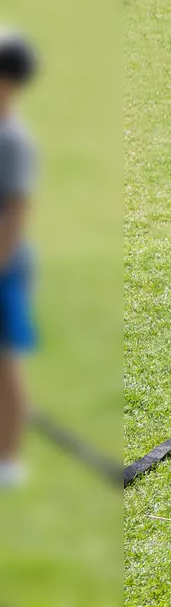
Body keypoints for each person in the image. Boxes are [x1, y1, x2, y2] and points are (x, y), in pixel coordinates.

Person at [0, 31, 36, 488]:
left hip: (4, 268)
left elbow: (16, 214)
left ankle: (8, 460)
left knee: (5, 364)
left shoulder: (12, 141)